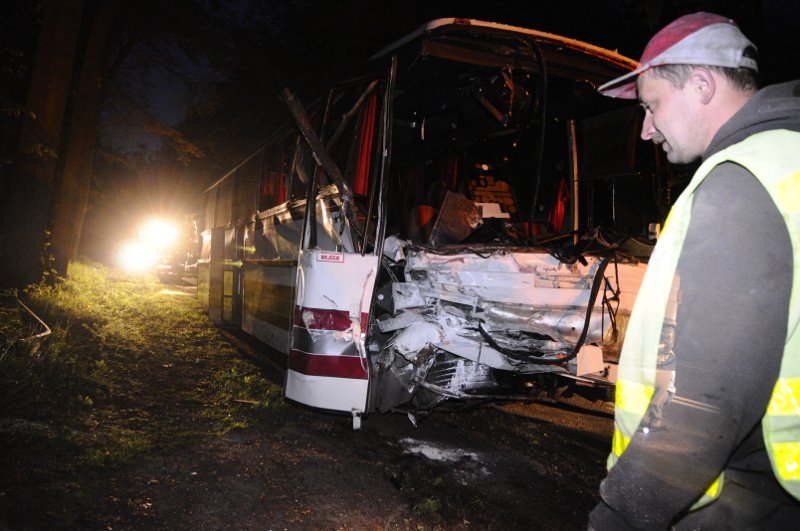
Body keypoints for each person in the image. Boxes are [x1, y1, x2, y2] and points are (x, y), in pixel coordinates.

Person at [588, 12, 800, 530]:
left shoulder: (741, 180)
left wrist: (620, 514)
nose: (645, 130)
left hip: (744, 500)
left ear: (702, 84)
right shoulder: (787, 159)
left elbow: (705, 400)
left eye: (651, 105)